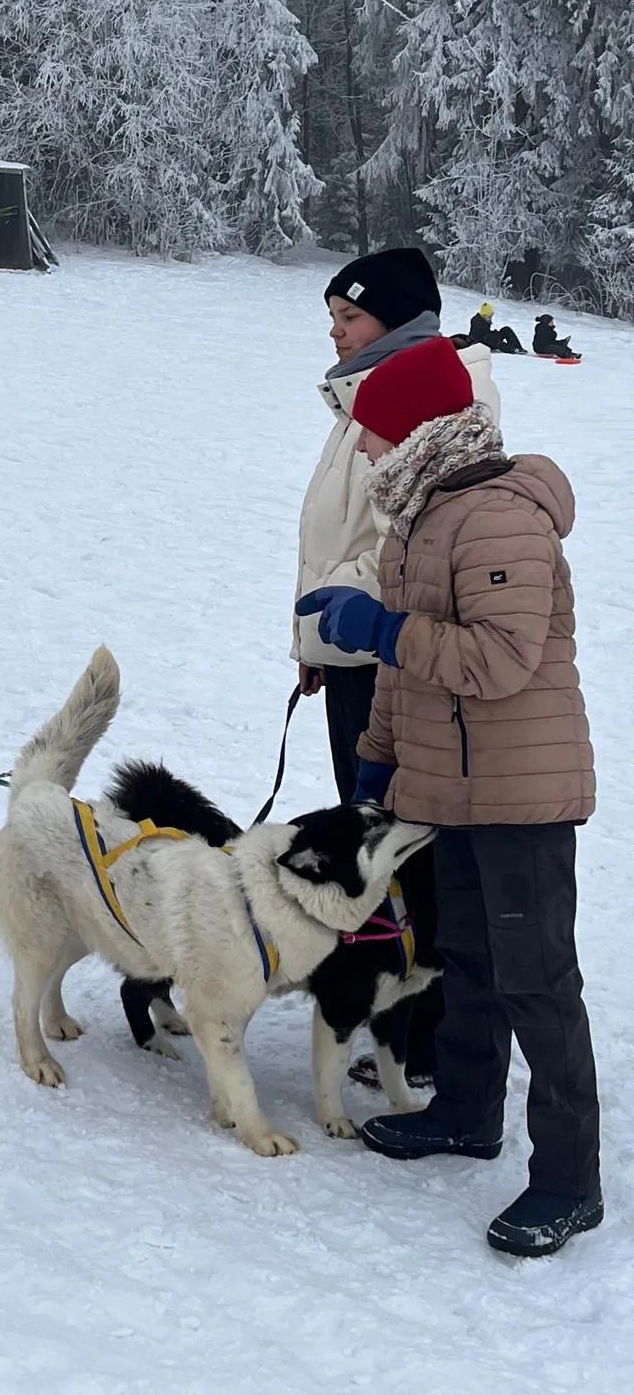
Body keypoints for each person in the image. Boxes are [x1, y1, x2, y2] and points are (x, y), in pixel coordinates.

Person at [296, 335, 601, 1259]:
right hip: (450, 789)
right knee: (464, 957)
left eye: (375, 435)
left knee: (537, 983)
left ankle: (569, 1180)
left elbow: (497, 662)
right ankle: (468, 1113)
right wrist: (379, 762)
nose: (366, 452)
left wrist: (382, 628)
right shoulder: (420, 515)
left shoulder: (500, 518)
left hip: (521, 791)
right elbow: (404, 675)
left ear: (422, 428)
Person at [295, 249, 499, 1091]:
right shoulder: (366, 393)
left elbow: (404, 546)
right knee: (376, 840)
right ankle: (394, 1014)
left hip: (396, 655)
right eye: (334, 319)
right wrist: (317, 649)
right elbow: (342, 534)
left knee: (409, 849)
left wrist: (349, 621)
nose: (335, 333)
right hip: (356, 660)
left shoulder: (440, 395)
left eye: (349, 317)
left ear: (397, 318)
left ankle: (424, 1032)